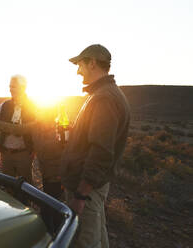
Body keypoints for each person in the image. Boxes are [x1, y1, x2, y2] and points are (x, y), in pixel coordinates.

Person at [62, 44, 130, 248]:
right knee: (97, 235)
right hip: (94, 185)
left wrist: (81, 195)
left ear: (92, 63)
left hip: (87, 188)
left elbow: (101, 152)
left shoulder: (104, 98)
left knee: (86, 240)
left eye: (80, 64)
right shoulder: (104, 94)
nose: (78, 70)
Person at [0, 106, 63, 232]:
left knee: (56, 208)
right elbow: (14, 128)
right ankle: (47, 234)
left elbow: (69, 151)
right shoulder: (35, 126)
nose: (38, 113)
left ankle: (59, 236)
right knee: (49, 207)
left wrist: (64, 173)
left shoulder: (61, 129)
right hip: (47, 174)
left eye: (42, 111)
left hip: (59, 175)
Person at [0, 75, 36, 184]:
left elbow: (23, 130)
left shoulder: (32, 106)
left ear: (23, 87)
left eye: (14, 86)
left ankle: (25, 202)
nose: (10, 89)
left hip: (24, 154)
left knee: (26, 187)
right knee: (8, 186)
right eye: (10, 86)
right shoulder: (5, 104)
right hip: (6, 154)